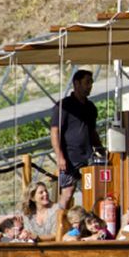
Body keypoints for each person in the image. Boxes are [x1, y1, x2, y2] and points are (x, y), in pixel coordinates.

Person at [50, 69, 103, 210]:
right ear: (76, 83)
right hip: (69, 156)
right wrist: (60, 156)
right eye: (87, 83)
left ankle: (89, 222)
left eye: (91, 83)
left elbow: (92, 131)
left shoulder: (91, 107)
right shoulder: (64, 106)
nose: (89, 86)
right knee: (68, 192)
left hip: (88, 156)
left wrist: (101, 150)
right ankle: (59, 223)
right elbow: (55, 131)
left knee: (91, 190)